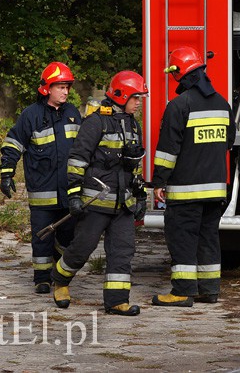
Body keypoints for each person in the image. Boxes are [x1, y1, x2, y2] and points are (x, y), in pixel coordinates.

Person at [50, 71, 148, 316]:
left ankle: (117, 301)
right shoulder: (95, 122)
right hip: (96, 200)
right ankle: (60, 280)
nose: (139, 103)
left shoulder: (132, 124)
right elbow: (77, 160)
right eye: (136, 98)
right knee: (82, 248)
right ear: (122, 95)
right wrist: (74, 195)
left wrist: (141, 195)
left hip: (123, 203)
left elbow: (134, 164)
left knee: (123, 251)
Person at [151, 47, 235, 307]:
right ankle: (209, 290)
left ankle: (182, 291)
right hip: (216, 191)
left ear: (180, 74)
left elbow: (167, 151)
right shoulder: (222, 104)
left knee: (182, 238)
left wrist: (159, 182)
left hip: (186, 191)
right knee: (208, 238)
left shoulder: (179, 106)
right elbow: (228, 143)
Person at [0, 62, 81, 294]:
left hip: (69, 191)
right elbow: (13, 144)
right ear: (47, 88)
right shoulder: (30, 116)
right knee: (42, 237)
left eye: (67, 87)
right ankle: (42, 278)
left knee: (68, 235)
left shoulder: (73, 115)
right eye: (60, 87)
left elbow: (84, 149)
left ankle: (60, 274)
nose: (65, 92)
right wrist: (6, 173)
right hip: (42, 191)